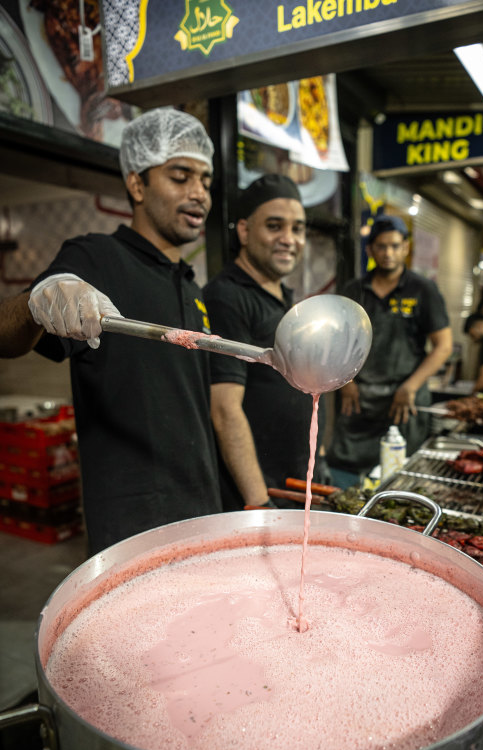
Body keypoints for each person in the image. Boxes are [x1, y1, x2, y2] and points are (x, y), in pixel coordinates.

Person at [0, 107, 222, 554]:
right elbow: (6, 337)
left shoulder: (189, 282)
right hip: (134, 527)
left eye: (206, 180)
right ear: (137, 184)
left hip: (202, 510)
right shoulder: (97, 258)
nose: (199, 193)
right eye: (181, 176)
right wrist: (36, 301)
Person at [203, 173, 323, 510]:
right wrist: (258, 500)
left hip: (296, 478)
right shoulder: (227, 297)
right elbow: (224, 408)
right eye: (274, 226)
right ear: (243, 231)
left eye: (297, 228)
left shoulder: (283, 295)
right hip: (262, 493)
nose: (289, 239)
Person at [326, 214, 453, 487]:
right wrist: (345, 381)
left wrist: (411, 387)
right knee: (347, 478)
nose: (388, 253)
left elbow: (443, 347)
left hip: (404, 401)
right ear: (370, 250)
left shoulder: (423, 289)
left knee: (402, 478)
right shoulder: (354, 290)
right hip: (359, 399)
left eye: (395, 246)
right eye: (381, 246)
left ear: (406, 248)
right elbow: (337, 342)